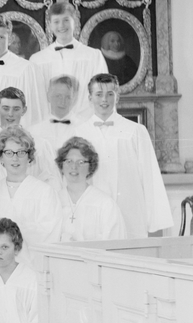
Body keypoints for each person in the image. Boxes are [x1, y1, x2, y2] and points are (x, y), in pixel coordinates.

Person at [72, 73, 173, 238]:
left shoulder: (135, 131)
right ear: (90, 98)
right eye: (98, 94)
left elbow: (150, 177)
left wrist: (155, 222)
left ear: (117, 97)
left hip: (130, 211)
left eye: (110, 94)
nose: (104, 100)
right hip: (93, 214)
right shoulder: (79, 134)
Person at [0, 127, 62, 270]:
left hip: (32, 269)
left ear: (29, 157)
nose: (15, 158)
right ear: (1, 157)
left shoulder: (44, 192)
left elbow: (50, 235)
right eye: (9, 153)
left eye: (21, 152)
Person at [30, 2, 108, 125]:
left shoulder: (93, 56)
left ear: (75, 21)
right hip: (50, 127)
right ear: (49, 25)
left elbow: (103, 95)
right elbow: (35, 101)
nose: (61, 25)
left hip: (85, 126)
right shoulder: (38, 60)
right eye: (56, 21)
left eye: (66, 20)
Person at [55, 135, 127, 241]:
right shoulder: (53, 200)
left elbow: (115, 244)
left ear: (90, 168)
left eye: (81, 162)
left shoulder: (105, 204)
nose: (74, 167)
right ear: (61, 166)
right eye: (69, 161)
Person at [31, 74, 80, 152]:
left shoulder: (82, 128)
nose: (62, 102)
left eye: (67, 97)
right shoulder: (34, 130)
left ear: (74, 99)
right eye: (58, 96)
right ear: (48, 96)